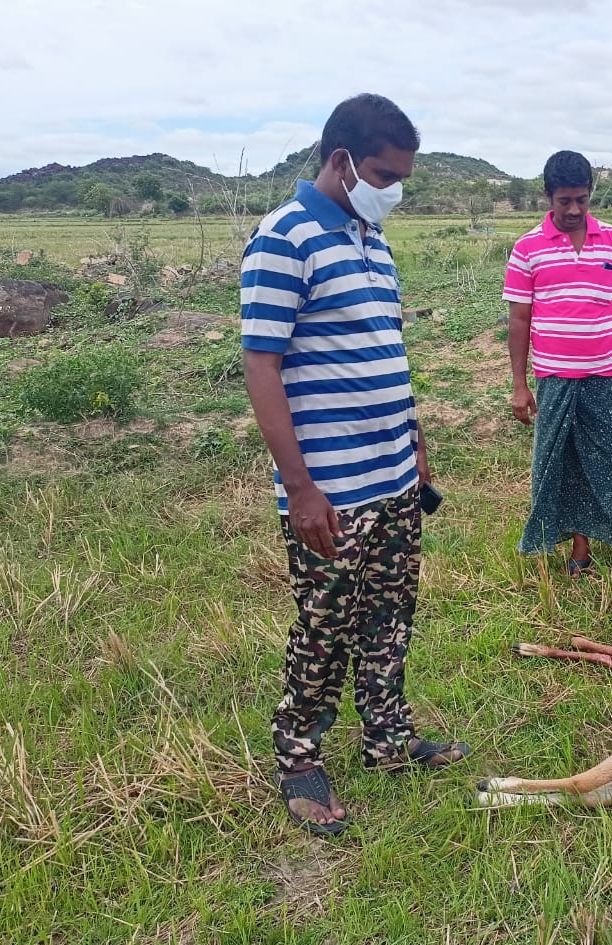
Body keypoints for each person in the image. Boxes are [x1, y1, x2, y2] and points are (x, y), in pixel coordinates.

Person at [241, 93, 469, 837]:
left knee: (390, 617)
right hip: (332, 489)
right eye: (382, 172)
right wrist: (301, 487)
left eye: (401, 174)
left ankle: (388, 738)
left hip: (396, 477)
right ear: (340, 160)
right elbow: (262, 366)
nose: (393, 187)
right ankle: (299, 755)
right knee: (325, 624)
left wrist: (416, 439)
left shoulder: (373, 238)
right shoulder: (285, 235)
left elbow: (383, 349)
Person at [504, 150, 612, 588]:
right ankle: (580, 548)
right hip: (554, 377)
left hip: (604, 373)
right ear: (548, 197)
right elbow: (519, 319)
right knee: (562, 461)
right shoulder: (526, 248)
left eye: (582, 199)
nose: (575, 210)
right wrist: (520, 385)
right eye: (565, 201)